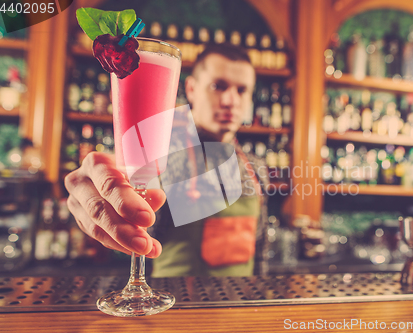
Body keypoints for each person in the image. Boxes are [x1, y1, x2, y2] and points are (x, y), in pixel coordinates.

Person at [65, 43, 269, 277]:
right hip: (176, 305)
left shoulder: (255, 166)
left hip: (241, 306)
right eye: (217, 86)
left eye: (242, 90)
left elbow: (260, 251)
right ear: (191, 88)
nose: (230, 100)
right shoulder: (162, 153)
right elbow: (140, 228)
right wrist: (107, 196)